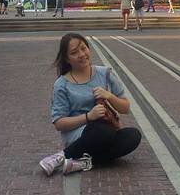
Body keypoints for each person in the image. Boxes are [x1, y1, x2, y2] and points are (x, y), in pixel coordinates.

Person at [39, 33, 141, 176]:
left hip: (106, 130)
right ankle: (61, 157)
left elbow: (125, 108)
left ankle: (82, 163)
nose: (82, 54)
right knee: (103, 131)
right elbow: (59, 123)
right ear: (67, 59)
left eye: (83, 48)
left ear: (88, 48)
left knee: (133, 136)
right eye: (74, 52)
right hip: (79, 135)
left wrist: (109, 96)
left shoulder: (105, 73)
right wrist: (88, 116)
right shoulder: (61, 85)